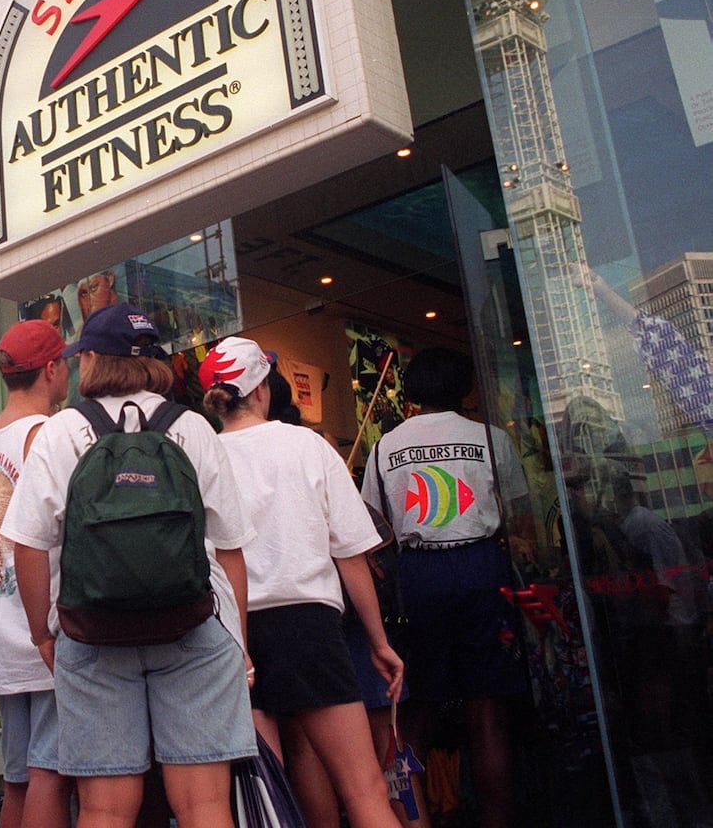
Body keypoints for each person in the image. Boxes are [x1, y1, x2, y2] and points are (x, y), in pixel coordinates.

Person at [1, 303, 256, 828]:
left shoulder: (61, 431)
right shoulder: (194, 427)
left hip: (92, 631)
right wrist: (241, 643)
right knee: (205, 805)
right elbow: (229, 548)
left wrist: (43, 635)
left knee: (105, 809)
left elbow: (27, 544)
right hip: (193, 626)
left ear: (93, 359)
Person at [201, 337, 403, 828]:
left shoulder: (201, 456)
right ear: (262, 388)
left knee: (266, 800)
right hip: (308, 624)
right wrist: (379, 641)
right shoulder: (307, 445)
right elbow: (351, 553)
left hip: (231, 634)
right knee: (364, 790)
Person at [360, 347, 531, 828]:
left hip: (419, 576)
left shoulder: (384, 447)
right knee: (488, 712)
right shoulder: (491, 438)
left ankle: (415, 821)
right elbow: (518, 514)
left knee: (415, 711)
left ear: (412, 392)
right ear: (465, 388)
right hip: (483, 567)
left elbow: (373, 526)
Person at [0, 319, 74, 828]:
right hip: (42, 627)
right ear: (51, 369)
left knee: (19, 779)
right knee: (50, 770)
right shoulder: (46, 434)